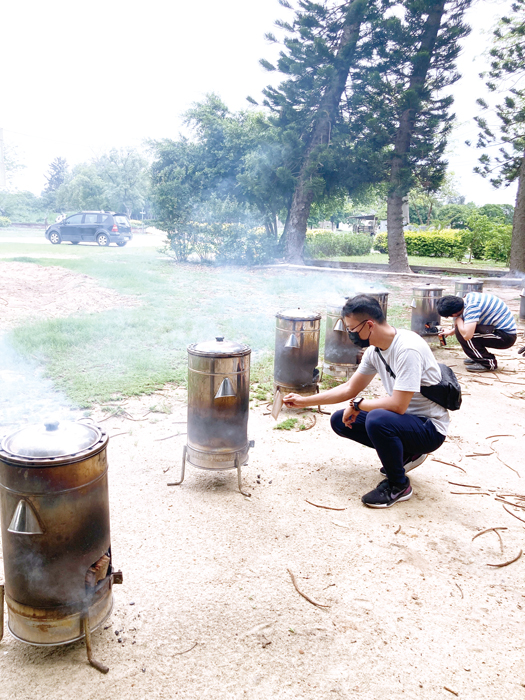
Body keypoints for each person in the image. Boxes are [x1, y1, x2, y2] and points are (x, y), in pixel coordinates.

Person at [283, 295, 449, 509]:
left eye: (352, 328)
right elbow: (349, 388)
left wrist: (358, 404)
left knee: (378, 420)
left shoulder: (407, 349)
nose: (349, 334)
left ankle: (399, 485)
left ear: (369, 325)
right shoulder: (375, 351)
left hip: (429, 428)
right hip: (404, 421)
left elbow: (398, 405)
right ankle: (408, 453)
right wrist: (304, 401)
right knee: (339, 421)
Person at [437, 292, 517, 372]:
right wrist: (451, 331)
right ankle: (478, 357)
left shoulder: (472, 308)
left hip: (505, 337)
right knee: (461, 330)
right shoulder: (468, 298)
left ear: (454, 314)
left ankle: (487, 362)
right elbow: (469, 324)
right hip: (497, 330)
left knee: (462, 335)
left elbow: (467, 335)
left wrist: (458, 321)